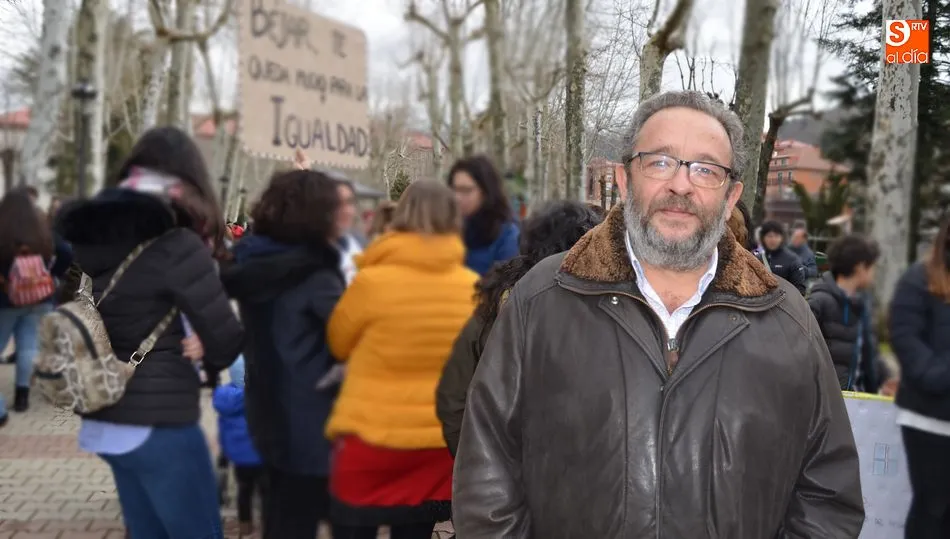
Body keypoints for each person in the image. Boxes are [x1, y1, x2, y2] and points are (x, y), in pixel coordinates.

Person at [452, 90, 863, 538]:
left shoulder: (788, 321)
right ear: (625, 180)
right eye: (660, 162)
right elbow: (486, 473)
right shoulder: (543, 299)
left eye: (706, 169)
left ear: (730, 198)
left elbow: (828, 495)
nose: (681, 186)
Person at [56, 126, 244, 539]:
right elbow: (227, 340)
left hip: (105, 417)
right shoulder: (179, 243)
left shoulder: (100, 236)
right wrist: (207, 350)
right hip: (159, 423)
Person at [325, 181, 478, 539]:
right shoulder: (472, 288)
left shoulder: (371, 282)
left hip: (370, 438)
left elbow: (337, 343)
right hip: (434, 445)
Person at [221, 169, 346, 539]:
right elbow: (350, 338)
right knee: (300, 518)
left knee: (280, 514)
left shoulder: (251, 261)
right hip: (313, 418)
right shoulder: (316, 275)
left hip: (266, 408)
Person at [436, 200, 604, 456]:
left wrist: (481, 467)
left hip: (511, 470)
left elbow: (454, 400)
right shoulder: (607, 312)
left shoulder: (496, 304)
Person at [889, 215, 950, 539]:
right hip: (928, 418)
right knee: (932, 508)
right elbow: (904, 338)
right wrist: (940, 376)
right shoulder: (920, 278)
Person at [0, 188, 73, 411]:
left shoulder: (3, 230)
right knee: (28, 347)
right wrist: (52, 276)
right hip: (40, 298)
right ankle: (22, 397)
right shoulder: (42, 231)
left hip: (5, 300)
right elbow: (66, 251)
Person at [808, 234, 890, 393]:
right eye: (872, 267)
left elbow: (870, 353)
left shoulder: (864, 304)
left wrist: (886, 379)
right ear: (860, 268)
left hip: (861, 401)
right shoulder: (819, 302)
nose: (874, 273)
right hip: (829, 401)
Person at [212, 355, 265, 537]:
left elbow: (222, 430)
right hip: (261, 455)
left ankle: (245, 527)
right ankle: (268, 526)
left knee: (244, 492)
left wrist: (224, 455)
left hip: (240, 458)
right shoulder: (261, 396)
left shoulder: (223, 398)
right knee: (266, 492)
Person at [447, 155, 520, 275]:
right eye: (454, 190)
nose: (457, 197)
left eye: (466, 190)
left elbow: (507, 283)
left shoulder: (507, 235)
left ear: (486, 192)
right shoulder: (447, 227)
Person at [758, 220, 808, 295]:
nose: (773, 239)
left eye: (776, 236)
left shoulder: (792, 260)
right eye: (769, 236)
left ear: (782, 238)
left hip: (784, 304)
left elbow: (800, 290)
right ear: (763, 238)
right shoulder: (757, 258)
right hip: (760, 304)